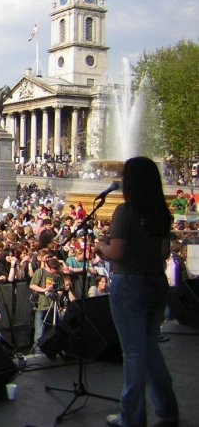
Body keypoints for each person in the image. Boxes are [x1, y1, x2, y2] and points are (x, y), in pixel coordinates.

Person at [96, 156, 178, 427]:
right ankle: (167, 407)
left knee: (132, 353)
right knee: (149, 347)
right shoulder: (161, 212)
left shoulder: (125, 212)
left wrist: (100, 247)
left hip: (129, 284)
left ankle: (131, 418)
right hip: (156, 283)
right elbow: (164, 252)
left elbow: (116, 252)